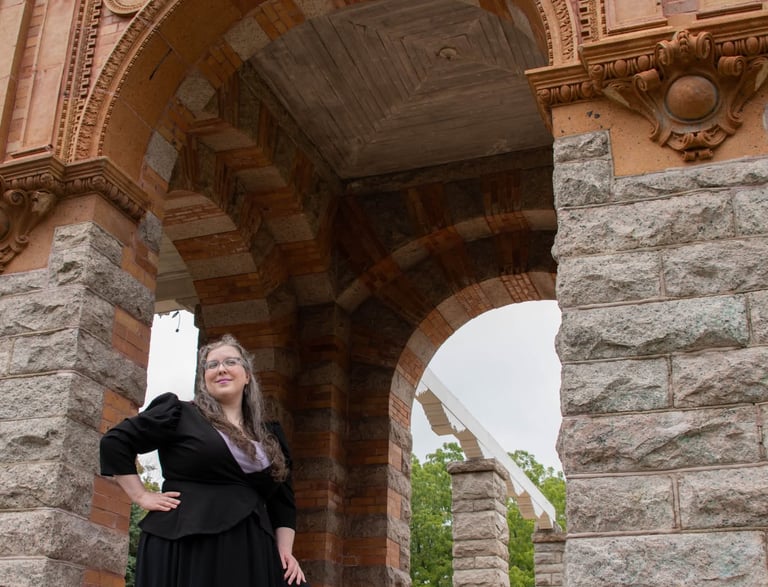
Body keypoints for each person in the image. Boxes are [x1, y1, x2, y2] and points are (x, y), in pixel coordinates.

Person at [100, 334, 309, 586]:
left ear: (247, 375)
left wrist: (285, 551)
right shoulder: (180, 414)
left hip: (251, 547)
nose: (221, 369)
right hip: (187, 543)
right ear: (204, 379)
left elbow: (283, 502)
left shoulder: (270, 436)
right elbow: (115, 442)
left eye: (230, 362)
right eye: (212, 365)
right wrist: (142, 496)